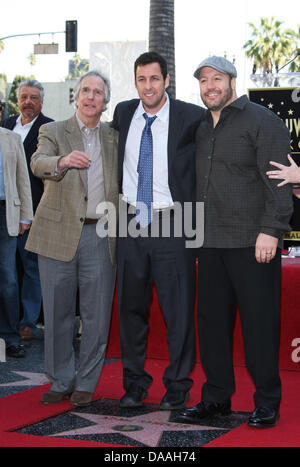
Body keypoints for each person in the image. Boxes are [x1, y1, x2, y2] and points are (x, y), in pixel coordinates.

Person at [178, 56, 293, 428]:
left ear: (231, 80)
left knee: (259, 325)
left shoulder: (262, 120)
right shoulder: (198, 126)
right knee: (211, 324)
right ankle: (216, 399)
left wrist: (272, 229)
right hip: (209, 241)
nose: (210, 86)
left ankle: (266, 402)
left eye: (217, 79)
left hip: (252, 240)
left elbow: (280, 179)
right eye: (204, 80)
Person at [112, 51, 205, 410]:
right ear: (135, 82)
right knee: (130, 309)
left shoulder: (191, 117)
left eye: (154, 79)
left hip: (175, 222)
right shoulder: (122, 114)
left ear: (167, 80)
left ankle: (178, 386)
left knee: (178, 310)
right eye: (141, 79)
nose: (148, 86)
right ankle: (134, 384)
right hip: (130, 221)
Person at [25, 71, 118, 407]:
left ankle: (87, 383)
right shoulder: (52, 130)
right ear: (76, 96)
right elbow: (38, 162)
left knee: (96, 315)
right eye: (85, 90)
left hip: (101, 234)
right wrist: (62, 162)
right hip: (56, 234)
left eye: (98, 92)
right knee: (58, 312)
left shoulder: (114, 136)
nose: (91, 97)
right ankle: (61, 379)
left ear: (105, 101)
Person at [1, 80, 53, 341]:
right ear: (17, 100)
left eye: (33, 97)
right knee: (8, 270)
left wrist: (32, 213)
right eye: (24, 97)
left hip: (35, 210)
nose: (28, 102)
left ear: (41, 102)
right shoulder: (6, 125)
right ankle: (10, 321)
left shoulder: (50, 128)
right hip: (6, 211)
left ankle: (28, 323)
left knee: (31, 267)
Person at [0, 127, 33, 357]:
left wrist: (25, 215)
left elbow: (23, 178)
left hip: (6, 215)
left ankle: (10, 338)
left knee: (8, 279)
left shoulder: (12, 138)